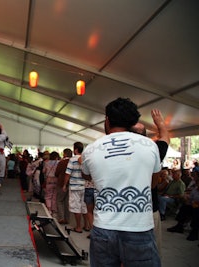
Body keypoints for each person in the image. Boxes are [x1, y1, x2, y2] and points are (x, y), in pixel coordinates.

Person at [81, 97, 162, 266]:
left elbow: (87, 176)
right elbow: (153, 182)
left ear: (107, 120)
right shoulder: (150, 146)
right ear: (134, 121)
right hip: (139, 227)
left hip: (104, 227)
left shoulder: (91, 149)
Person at [131, 108, 170, 257]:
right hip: (149, 207)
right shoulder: (153, 150)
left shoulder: (119, 151)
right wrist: (160, 123)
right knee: (151, 251)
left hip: (125, 209)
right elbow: (165, 137)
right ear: (145, 136)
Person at [63, 142, 88, 233]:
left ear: (76, 149)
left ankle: (78, 227)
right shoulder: (85, 159)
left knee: (76, 206)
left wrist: (65, 184)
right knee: (84, 206)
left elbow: (67, 173)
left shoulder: (72, 159)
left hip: (75, 186)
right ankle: (86, 225)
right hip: (84, 186)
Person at [167, 175, 199, 241]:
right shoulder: (195, 190)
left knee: (196, 212)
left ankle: (195, 231)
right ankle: (179, 226)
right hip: (193, 205)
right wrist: (187, 199)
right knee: (184, 207)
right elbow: (191, 198)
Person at [55, 148, 72, 224]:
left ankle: (61, 218)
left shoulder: (62, 162)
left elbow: (56, 173)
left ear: (65, 154)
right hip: (71, 184)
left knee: (59, 200)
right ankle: (67, 219)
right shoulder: (74, 162)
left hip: (62, 183)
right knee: (67, 202)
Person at [43, 151, 60, 217]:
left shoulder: (46, 162)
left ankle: (49, 210)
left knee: (48, 196)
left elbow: (44, 171)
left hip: (49, 180)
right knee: (54, 196)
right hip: (56, 180)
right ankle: (54, 211)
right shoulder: (59, 162)